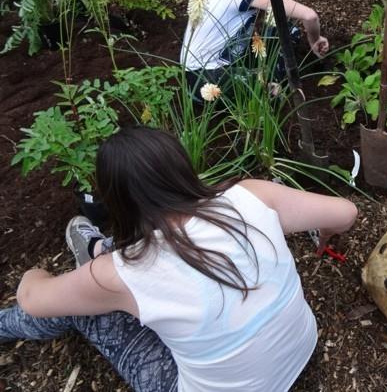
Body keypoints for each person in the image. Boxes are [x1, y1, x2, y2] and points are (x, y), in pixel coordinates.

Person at [0, 126, 357, 391]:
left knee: (83, 308)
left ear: (117, 201)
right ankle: (98, 253)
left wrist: (34, 273)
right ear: (181, 166)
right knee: (123, 287)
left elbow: (32, 300)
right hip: (299, 349)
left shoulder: (128, 271)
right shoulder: (251, 195)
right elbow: (345, 213)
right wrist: (323, 234)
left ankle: (17, 316)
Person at [181, 0, 330, 100]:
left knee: (275, 28)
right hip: (210, 82)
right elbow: (310, 15)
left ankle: (267, 82)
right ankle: (272, 88)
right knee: (287, 32)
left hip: (191, 80)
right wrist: (315, 39)